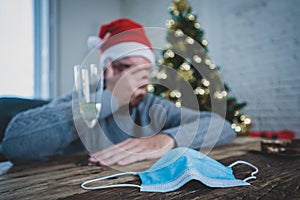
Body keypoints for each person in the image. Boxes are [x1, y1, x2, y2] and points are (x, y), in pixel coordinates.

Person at [2, 18, 236, 166]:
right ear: (109, 68)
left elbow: (219, 125)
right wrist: (112, 99)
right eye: (131, 70)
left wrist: (165, 140)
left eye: (146, 72)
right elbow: (15, 144)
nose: (142, 80)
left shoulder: (150, 104)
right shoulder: (82, 99)